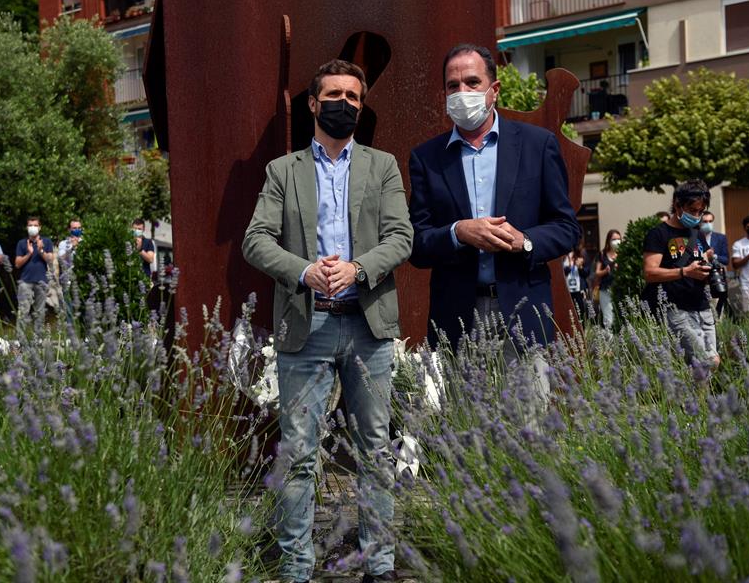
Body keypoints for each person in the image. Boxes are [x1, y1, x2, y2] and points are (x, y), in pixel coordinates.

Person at [243, 59, 411, 583]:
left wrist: (359, 270)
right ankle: (296, 568)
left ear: (362, 107)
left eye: (354, 97)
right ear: (313, 105)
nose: (344, 104)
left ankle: (379, 567)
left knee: (374, 452)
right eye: (334, 95)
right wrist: (305, 271)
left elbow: (400, 237)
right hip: (306, 324)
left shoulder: (382, 166)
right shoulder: (282, 170)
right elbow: (256, 240)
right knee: (297, 455)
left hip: (367, 325)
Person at [408, 43, 579, 354]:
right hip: (456, 318)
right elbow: (417, 244)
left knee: (530, 404)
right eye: (452, 85)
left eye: (472, 82)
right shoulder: (426, 158)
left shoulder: (537, 145)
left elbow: (566, 227)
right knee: (462, 404)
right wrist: (457, 232)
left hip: (525, 312)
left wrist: (524, 241)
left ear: (494, 89)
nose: (462, 92)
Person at [642, 179, 719, 368]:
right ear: (677, 205)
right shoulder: (658, 234)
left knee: (713, 361)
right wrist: (685, 271)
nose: (697, 216)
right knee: (704, 361)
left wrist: (710, 268)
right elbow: (650, 273)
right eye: (693, 211)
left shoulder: (697, 233)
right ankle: (700, 397)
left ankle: (698, 396)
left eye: (701, 212)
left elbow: (703, 261)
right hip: (676, 308)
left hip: (702, 306)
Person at [14, 216, 54, 334]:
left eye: (35, 225)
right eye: (30, 225)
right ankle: (20, 338)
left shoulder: (46, 241)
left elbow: (50, 260)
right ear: (27, 228)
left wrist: (41, 250)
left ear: (40, 227)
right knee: (23, 311)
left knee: (40, 312)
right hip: (25, 282)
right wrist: (29, 253)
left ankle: (39, 339)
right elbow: (17, 264)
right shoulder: (22, 243)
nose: (33, 228)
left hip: (41, 281)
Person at [700, 210, 729, 316]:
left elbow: (726, 260)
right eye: (705, 221)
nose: (708, 224)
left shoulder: (720, 238)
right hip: (700, 279)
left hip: (716, 280)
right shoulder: (694, 237)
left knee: (718, 312)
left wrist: (713, 256)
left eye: (710, 221)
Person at [594, 229, 621, 329]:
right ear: (608, 241)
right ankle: (609, 341)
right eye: (614, 239)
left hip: (619, 289)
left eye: (618, 239)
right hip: (605, 289)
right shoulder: (602, 254)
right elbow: (597, 272)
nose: (617, 241)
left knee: (619, 316)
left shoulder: (622, 253)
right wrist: (605, 271)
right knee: (608, 318)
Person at [563, 242, 590, 323]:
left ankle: (582, 332)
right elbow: (560, 273)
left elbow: (587, 273)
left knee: (581, 313)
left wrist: (580, 267)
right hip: (567, 290)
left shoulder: (582, 254)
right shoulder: (563, 255)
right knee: (569, 313)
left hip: (579, 289)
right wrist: (569, 266)